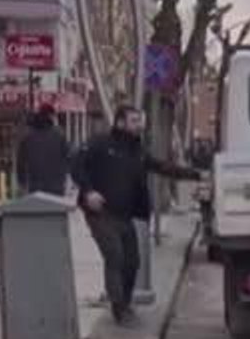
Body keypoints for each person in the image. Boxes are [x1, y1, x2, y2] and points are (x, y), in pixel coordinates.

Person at [71, 105, 200, 327]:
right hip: (101, 213)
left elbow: (162, 167)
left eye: (140, 121)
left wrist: (195, 174)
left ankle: (126, 302)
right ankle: (119, 308)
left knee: (132, 262)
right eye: (134, 121)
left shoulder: (137, 150)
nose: (139, 125)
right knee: (115, 255)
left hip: (125, 215)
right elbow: (75, 163)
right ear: (120, 122)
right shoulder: (100, 143)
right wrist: (87, 191)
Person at [16, 103, 70, 195]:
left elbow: (20, 163)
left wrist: (22, 183)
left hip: (35, 187)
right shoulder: (60, 135)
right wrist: (66, 180)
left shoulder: (28, 137)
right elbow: (68, 158)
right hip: (56, 187)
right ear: (51, 116)